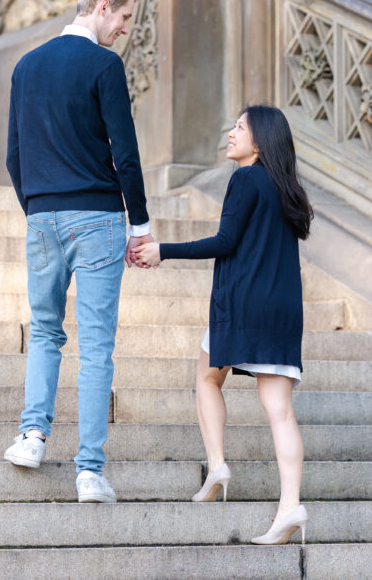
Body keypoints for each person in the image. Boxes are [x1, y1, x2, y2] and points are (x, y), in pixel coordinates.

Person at [4, 0, 155, 504]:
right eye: (126, 16)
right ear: (103, 6)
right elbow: (126, 154)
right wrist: (140, 224)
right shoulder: (104, 66)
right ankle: (89, 471)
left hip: (43, 215)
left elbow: (13, 156)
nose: (125, 29)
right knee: (96, 349)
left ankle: (32, 436)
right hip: (97, 218)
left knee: (45, 331)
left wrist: (37, 207)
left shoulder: (27, 66)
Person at [134, 104, 314, 545]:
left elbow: (225, 242)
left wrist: (163, 250)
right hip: (283, 310)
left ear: (261, 140)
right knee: (281, 412)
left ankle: (217, 464)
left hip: (243, 304)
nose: (231, 133)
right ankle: (290, 506)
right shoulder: (285, 187)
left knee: (205, 377)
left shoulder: (246, 178)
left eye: (240, 127)